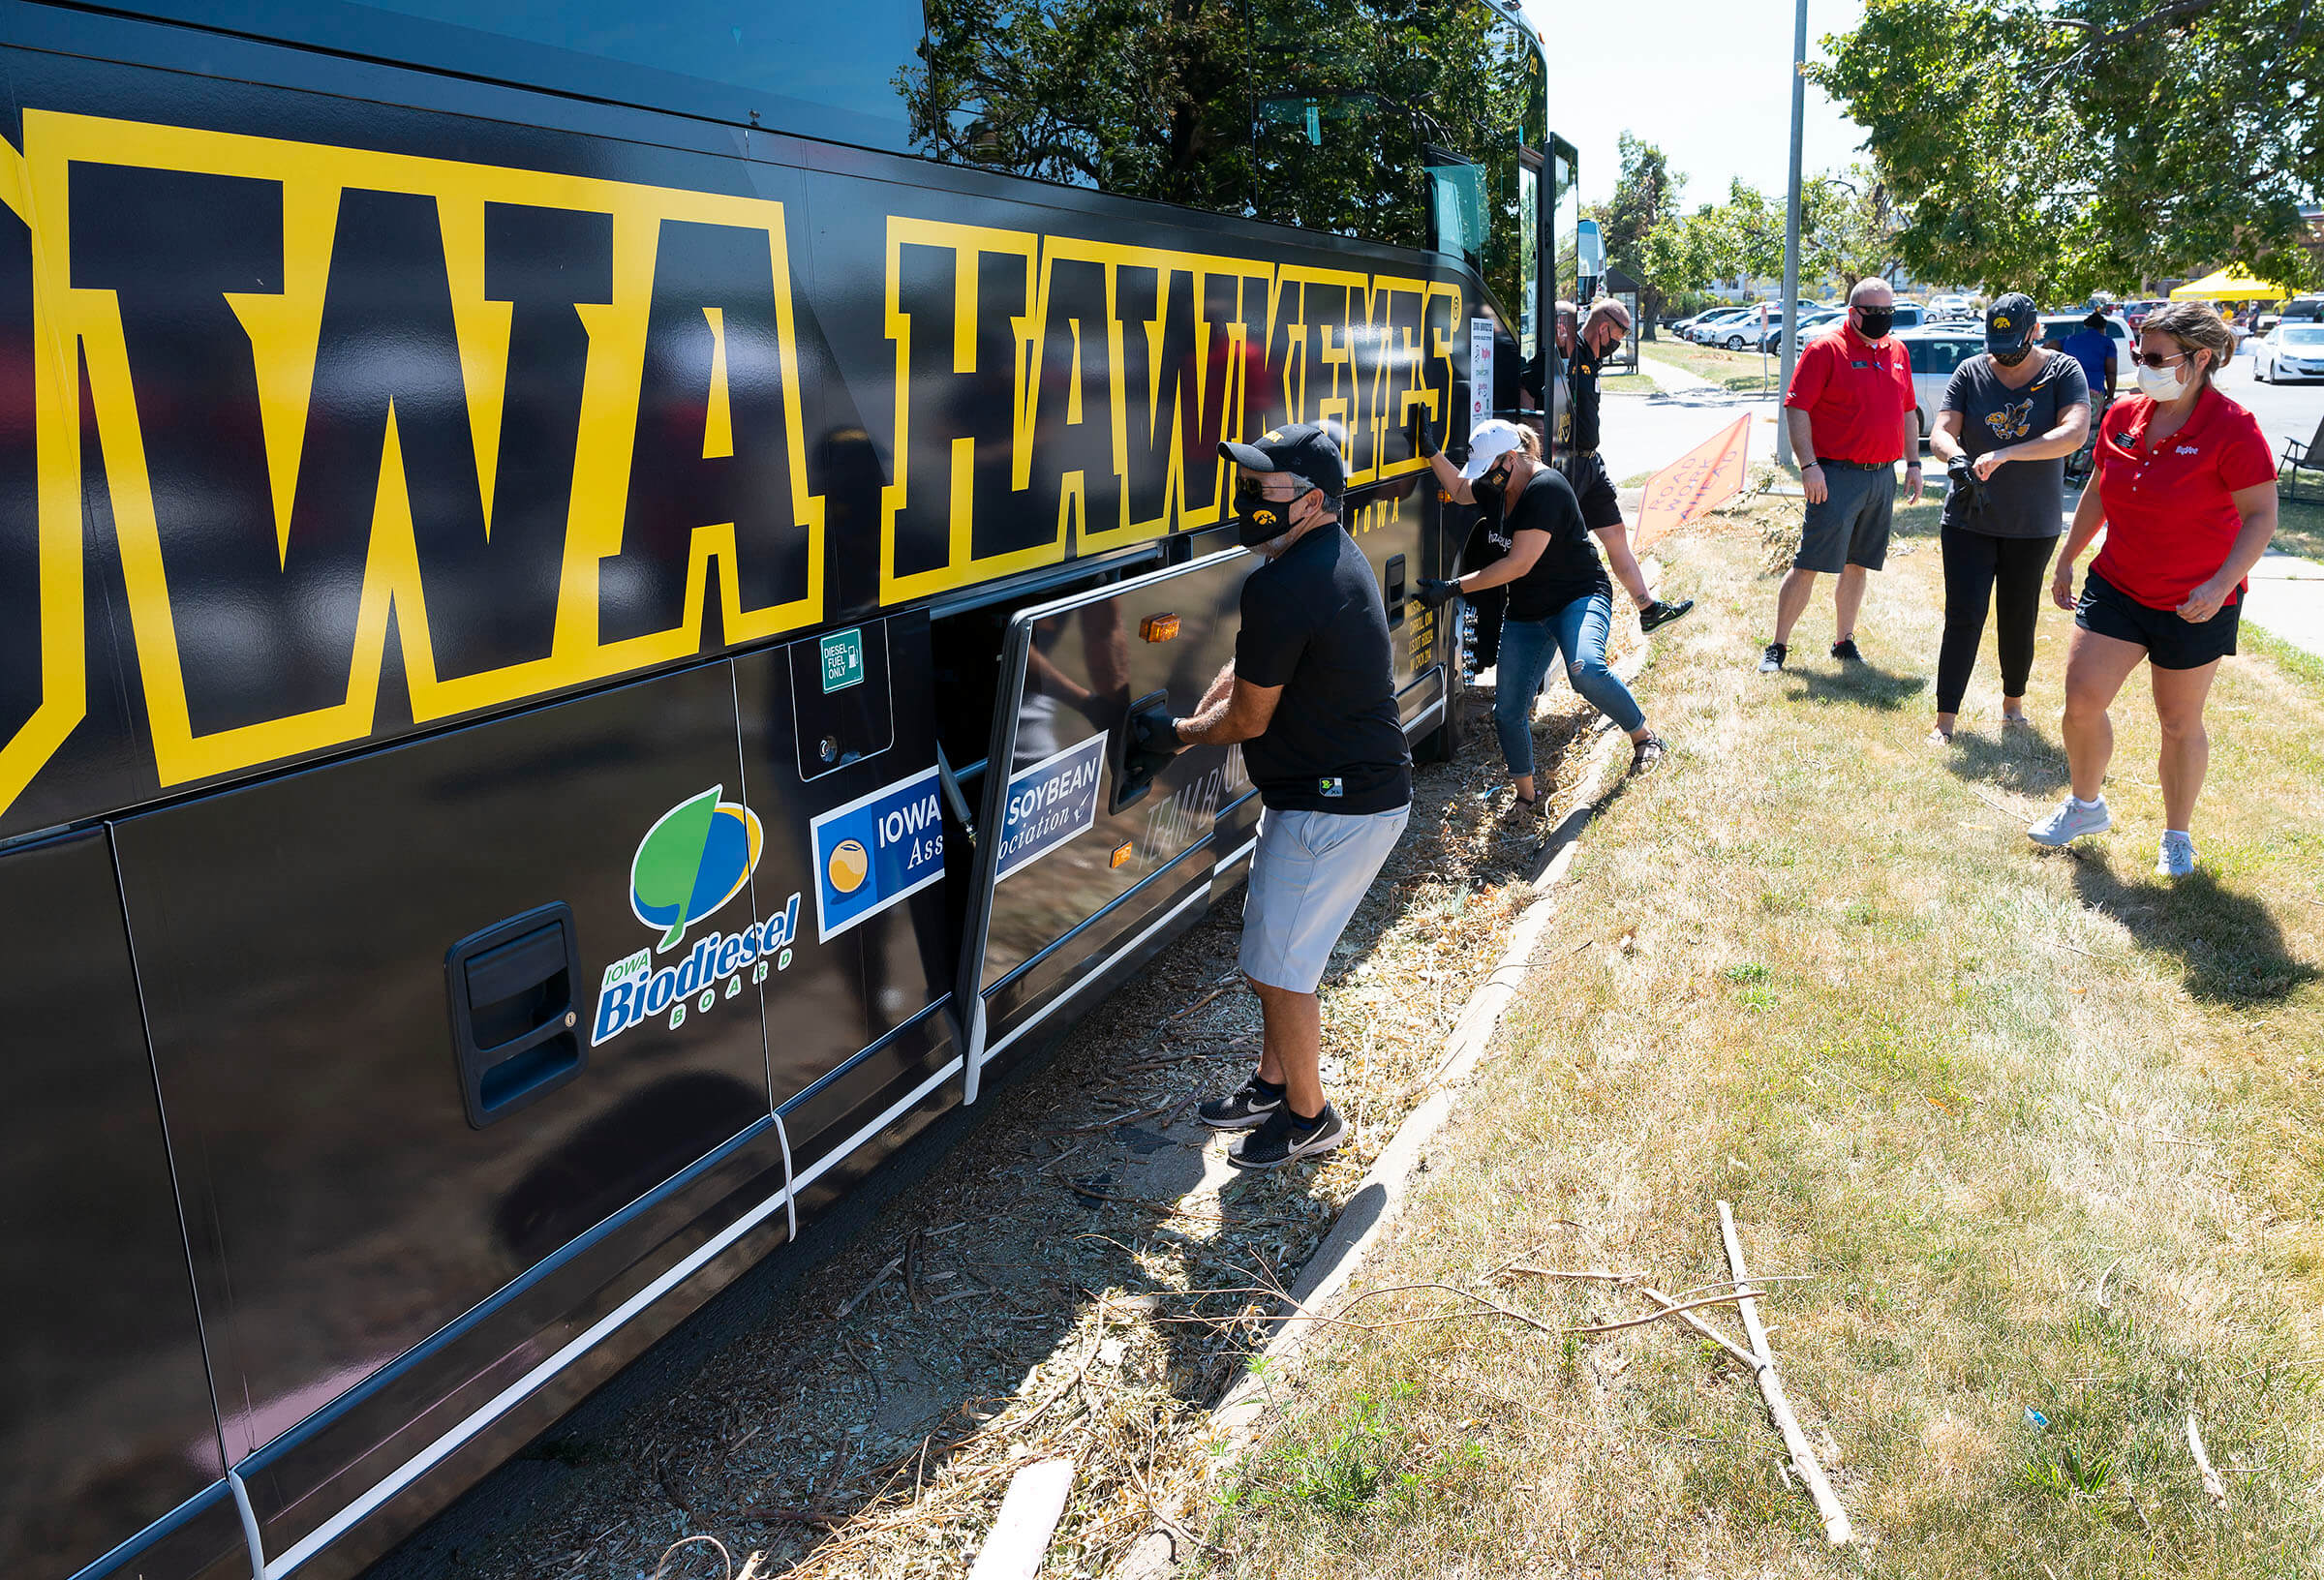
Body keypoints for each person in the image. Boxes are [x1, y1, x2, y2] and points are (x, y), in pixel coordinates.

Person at [1139, 423, 1410, 1168]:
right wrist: (1204, 707)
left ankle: (1309, 1116)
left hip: (1336, 809)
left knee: (1278, 970)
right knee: (1272, 954)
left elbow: (1251, 715)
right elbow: (1252, 664)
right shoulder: (1318, 558)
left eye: (1264, 488)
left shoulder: (1285, 584)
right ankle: (1270, 1081)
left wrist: (1176, 735)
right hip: (1323, 798)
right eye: (1249, 483)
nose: (1248, 498)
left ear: (1313, 500)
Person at [2029, 302, 2278, 877]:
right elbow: (2097, 488)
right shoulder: (2122, 414)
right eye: (2140, 353)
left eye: (2157, 356)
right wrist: (2068, 555)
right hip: (2118, 584)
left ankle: (2177, 834)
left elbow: (2261, 515)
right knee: (2082, 701)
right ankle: (2086, 806)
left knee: (2177, 721)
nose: (2143, 364)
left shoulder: (2232, 427)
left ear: (2200, 360)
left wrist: (2221, 584)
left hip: (2196, 600)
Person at [1413, 417, 1666, 810]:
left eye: (1490, 471)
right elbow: (1461, 490)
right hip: (1528, 610)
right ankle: (1527, 800)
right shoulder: (1498, 481)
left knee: (1586, 669)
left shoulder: (1545, 488)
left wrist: (1453, 588)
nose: (1485, 480)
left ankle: (1644, 737)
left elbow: (1517, 565)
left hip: (1577, 597)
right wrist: (1430, 451)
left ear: (1511, 459)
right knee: (1508, 711)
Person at [1924, 292, 2089, 743]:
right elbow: (1941, 431)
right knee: (1964, 615)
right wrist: (1955, 456)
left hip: (2031, 524)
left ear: (2035, 331)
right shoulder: (1971, 372)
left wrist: (2007, 454)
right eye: (1996, 347)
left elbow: (2073, 433)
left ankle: (2012, 706)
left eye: (2013, 345)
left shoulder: (2063, 371)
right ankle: (1945, 720)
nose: (2003, 356)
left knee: (2018, 616)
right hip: (1968, 520)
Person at [1760, 277, 1922, 674]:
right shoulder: (1825, 349)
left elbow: (1907, 412)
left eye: (1890, 312)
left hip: (1881, 477)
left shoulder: (1898, 351)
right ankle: (1778, 647)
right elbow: (1797, 409)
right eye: (1876, 313)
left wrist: (1914, 464)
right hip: (1835, 476)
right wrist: (1809, 466)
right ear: (1854, 313)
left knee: (1858, 563)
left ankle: (1843, 641)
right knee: (1810, 563)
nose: (1885, 319)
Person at [1561, 297, 1696, 634]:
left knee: (1616, 534)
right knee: (1560, 545)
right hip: (1569, 468)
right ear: (1604, 327)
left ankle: (1647, 609)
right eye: (1618, 337)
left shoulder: (1593, 359)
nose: (1617, 346)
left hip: (1592, 466)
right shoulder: (1569, 353)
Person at [2059, 310, 2118, 405]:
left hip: (2069, 391)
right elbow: (2111, 372)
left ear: (2086, 326)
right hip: (2094, 392)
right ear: (2103, 328)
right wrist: (2110, 396)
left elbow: (2049, 346)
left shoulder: (2070, 339)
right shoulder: (2107, 342)